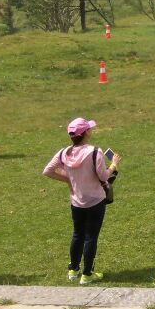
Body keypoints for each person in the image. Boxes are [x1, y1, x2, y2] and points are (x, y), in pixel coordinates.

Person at [42, 117, 120, 285]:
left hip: (76, 202)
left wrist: (68, 179)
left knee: (78, 234)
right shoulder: (95, 152)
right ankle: (87, 274)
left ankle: (73, 269)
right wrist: (113, 164)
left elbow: (47, 171)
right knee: (91, 237)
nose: (91, 131)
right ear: (85, 133)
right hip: (95, 202)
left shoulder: (64, 153)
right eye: (89, 129)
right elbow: (104, 176)